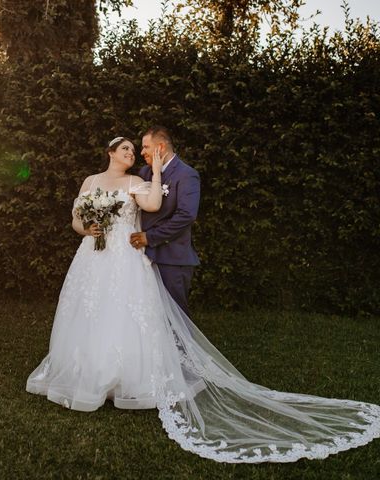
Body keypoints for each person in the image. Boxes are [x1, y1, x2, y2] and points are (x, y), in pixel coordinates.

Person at [26, 136, 380, 463]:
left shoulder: (137, 181)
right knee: (90, 312)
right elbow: (76, 217)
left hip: (124, 257)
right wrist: (85, 229)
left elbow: (152, 202)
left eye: (135, 151)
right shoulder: (90, 181)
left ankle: (124, 381)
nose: (132, 155)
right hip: (92, 255)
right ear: (110, 152)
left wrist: (160, 169)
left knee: (124, 315)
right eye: (126, 150)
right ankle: (84, 376)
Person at [131, 126, 200, 317]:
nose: (141, 152)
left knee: (175, 316)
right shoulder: (144, 173)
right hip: (142, 257)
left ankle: (180, 348)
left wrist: (150, 237)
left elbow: (186, 215)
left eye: (145, 147)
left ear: (160, 147)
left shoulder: (187, 174)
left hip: (172, 257)